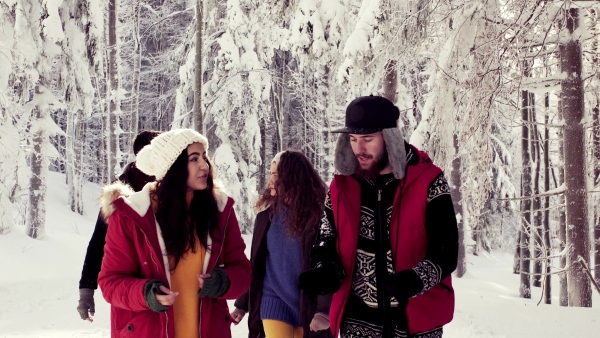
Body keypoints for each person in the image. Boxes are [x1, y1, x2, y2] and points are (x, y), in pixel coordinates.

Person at [299, 95, 458, 338]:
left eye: (367, 139)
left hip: (415, 322)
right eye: (352, 139)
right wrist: (326, 269)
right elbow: (327, 239)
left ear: (390, 137)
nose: (358, 149)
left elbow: (446, 251)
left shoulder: (429, 181)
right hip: (357, 321)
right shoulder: (340, 187)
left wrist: (415, 279)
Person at [97, 129, 251, 338]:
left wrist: (222, 281)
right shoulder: (131, 216)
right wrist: (146, 293)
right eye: (194, 159)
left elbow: (242, 270)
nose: (205, 166)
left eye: (204, 157)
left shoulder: (220, 210)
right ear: (173, 167)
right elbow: (111, 282)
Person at [230, 150, 332, 338]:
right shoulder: (265, 219)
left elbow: (327, 268)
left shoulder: (319, 219)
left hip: (307, 305)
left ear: (293, 177)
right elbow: (257, 266)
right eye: (270, 175)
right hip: (272, 300)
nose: (270, 182)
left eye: (276, 175)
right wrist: (242, 304)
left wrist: (323, 310)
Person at [77, 130, 161, 322]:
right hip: (132, 292)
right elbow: (99, 242)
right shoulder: (118, 194)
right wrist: (86, 291)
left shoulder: (169, 186)